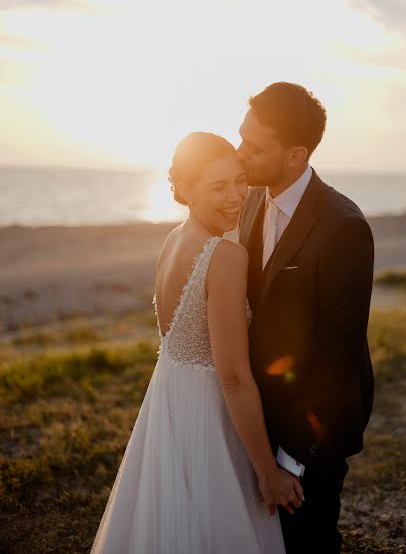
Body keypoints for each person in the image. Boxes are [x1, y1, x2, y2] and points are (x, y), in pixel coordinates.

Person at [90, 132, 303, 554]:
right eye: (218, 186)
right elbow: (235, 377)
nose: (236, 196)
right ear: (185, 189)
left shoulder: (172, 242)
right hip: (208, 416)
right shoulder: (225, 257)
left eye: (240, 181)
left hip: (168, 405)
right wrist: (266, 471)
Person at [237, 82, 375, 553]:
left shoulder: (344, 228)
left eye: (253, 147)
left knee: (307, 542)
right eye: (240, 137)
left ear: (297, 155)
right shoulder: (252, 198)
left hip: (311, 432)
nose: (240, 154)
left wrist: (291, 460)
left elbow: (339, 356)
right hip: (260, 415)